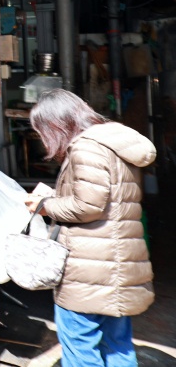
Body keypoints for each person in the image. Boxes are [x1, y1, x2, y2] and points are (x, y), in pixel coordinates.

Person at [24, 89, 154, 367]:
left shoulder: (86, 146)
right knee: (117, 347)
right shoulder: (116, 141)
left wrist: (44, 205)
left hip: (89, 270)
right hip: (116, 264)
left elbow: (88, 206)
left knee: (80, 348)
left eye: (43, 130)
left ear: (57, 124)